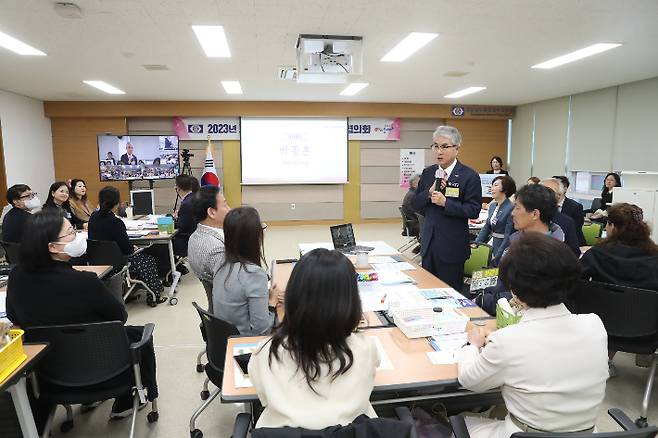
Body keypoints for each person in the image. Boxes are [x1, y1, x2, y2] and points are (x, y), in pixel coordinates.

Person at [6, 210, 159, 418]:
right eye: (70, 233)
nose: (78, 237)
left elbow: (14, 317)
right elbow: (119, 317)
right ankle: (127, 400)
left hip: (49, 374)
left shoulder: (16, 277)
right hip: (105, 370)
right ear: (52, 247)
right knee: (139, 335)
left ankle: (89, 399)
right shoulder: (85, 282)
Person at [458, 233, 608, 437]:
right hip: (587, 433)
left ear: (514, 289)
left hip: (523, 433)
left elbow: (469, 380)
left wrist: (473, 346)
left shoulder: (507, 340)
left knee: (454, 424)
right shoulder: (595, 325)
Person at [249, 248, 379, 429]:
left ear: (293, 295)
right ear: (350, 301)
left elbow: (264, 398)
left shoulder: (265, 351)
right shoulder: (366, 347)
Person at [411, 125, 482, 290]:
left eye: (444, 146)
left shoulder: (469, 176)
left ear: (457, 149)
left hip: (452, 247)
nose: (439, 151)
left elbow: (473, 210)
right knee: (427, 290)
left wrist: (446, 203)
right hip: (429, 244)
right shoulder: (428, 173)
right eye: (436, 146)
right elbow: (415, 204)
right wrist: (428, 194)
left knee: (449, 294)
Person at [88, 187, 167, 305]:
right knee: (148, 260)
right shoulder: (116, 222)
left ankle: (129, 291)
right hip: (117, 264)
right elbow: (128, 249)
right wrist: (134, 248)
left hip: (97, 262)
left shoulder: (93, 217)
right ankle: (154, 295)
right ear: (116, 203)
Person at [213, 206, 279, 335]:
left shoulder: (220, 263)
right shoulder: (253, 274)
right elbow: (262, 330)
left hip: (226, 339)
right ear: (253, 237)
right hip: (246, 345)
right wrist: (271, 304)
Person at [580, 203, 658, 290]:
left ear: (613, 226)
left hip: (602, 302)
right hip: (644, 303)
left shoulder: (597, 254)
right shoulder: (654, 256)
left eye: (607, 223)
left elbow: (574, 282)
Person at [188, 186, 231, 284]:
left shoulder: (195, 236)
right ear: (211, 212)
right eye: (225, 204)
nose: (229, 209)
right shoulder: (216, 250)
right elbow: (233, 285)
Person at [476, 175, 515, 261]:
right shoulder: (493, 206)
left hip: (503, 248)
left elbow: (508, 236)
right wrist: (476, 243)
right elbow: (487, 227)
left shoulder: (511, 208)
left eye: (496, 185)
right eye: (492, 185)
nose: (492, 188)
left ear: (505, 189)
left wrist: (498, 256)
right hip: (491, 243)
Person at [540, 179, 581, 256]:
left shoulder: (566, 222)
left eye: (549, 192)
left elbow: (574, 253)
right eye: (541, 191)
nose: (544, 195)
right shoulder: (525, 216)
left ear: (558, 196)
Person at [553, 175, 586, 246]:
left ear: (564, 189)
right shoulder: (545, 205)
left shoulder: (576, 207)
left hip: (571, 244)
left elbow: (575, 230)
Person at [173, 174, 196, 258]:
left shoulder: (186, 203)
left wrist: (172, 220)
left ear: (178, 188)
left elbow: (180, 226)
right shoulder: (194, 198)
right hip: (192, 237)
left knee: (158, 245)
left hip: (185, 240)